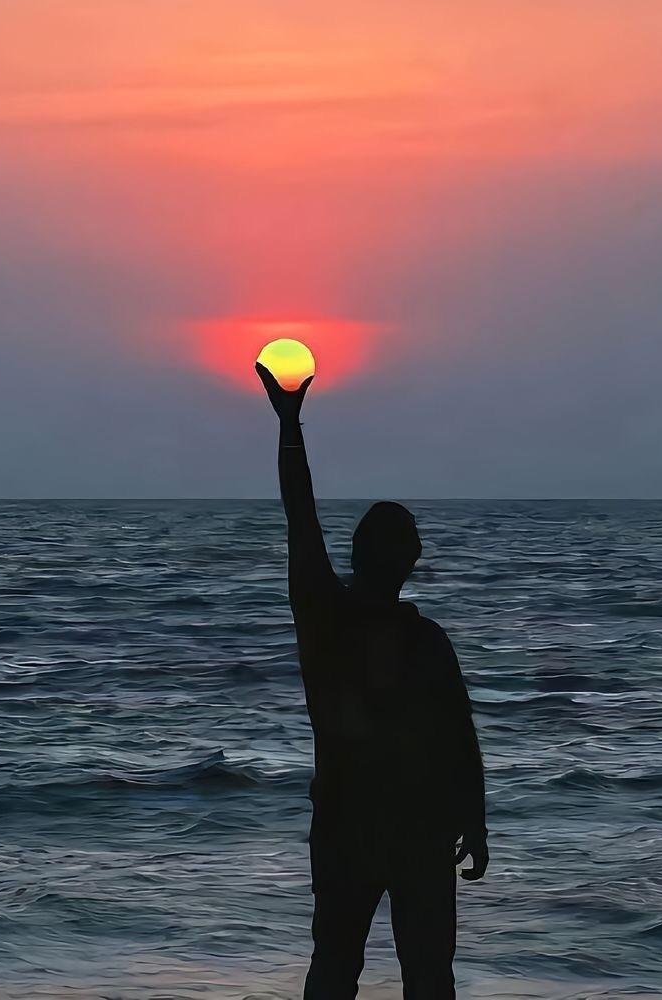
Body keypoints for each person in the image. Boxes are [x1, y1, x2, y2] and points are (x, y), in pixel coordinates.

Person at [256, 362, 488, 1000]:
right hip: (353, 826)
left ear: (410, 559)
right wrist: (290, 428)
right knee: (340, 966)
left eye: (401, 545)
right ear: (365, 554)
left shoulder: (426, 640)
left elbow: (457, 732)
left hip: (417, 828)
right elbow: (300, 520)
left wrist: (476, 815)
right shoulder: (327, 616)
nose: (395, 555)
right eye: (388, 544)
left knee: (417, 973)